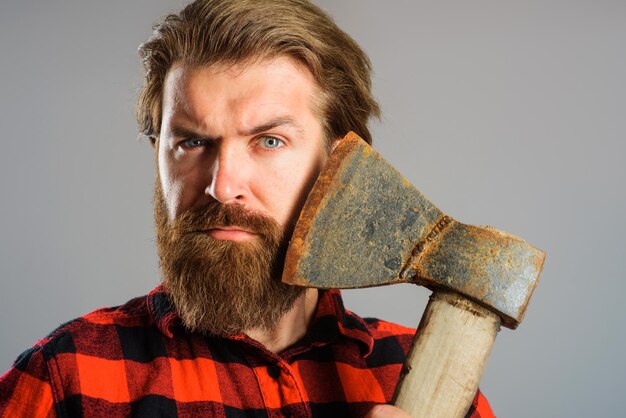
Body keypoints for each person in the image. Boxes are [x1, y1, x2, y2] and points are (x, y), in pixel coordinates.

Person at [0, 1, 493, 417]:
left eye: (270, 140)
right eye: (192, 142)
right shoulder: (66, 379)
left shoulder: (419, 379)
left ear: (345, 165)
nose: (222, 185)